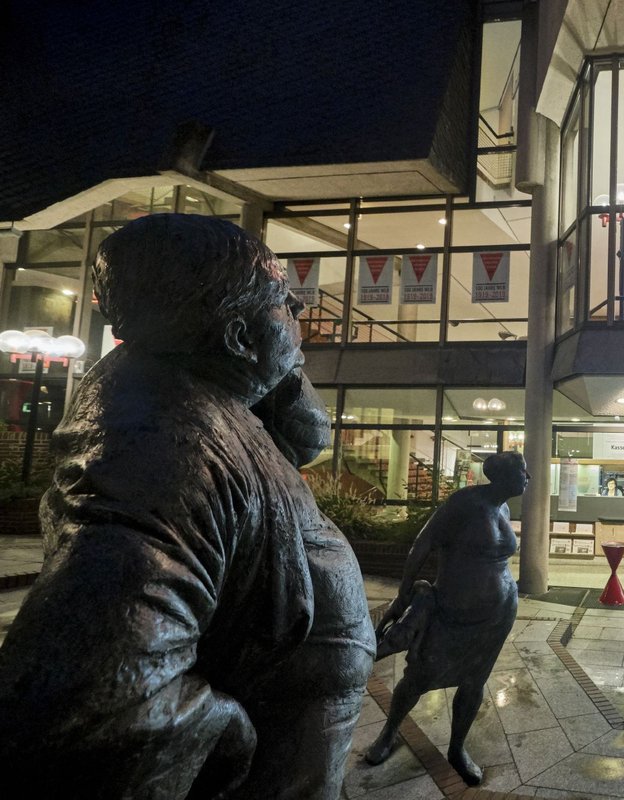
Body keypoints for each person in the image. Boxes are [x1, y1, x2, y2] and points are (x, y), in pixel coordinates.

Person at [0, 214, 375, 798]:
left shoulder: (208, 391)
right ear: (232, 336)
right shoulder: (159, 450)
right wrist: (230, 736)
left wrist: (273, 365)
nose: (300, 311)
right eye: (282, 299)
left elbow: (305, 439)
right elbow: (89, 705)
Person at [366, 450, 528, 785]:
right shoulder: (464, 503)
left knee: (474, 681)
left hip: (496, 616)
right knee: (420, 677)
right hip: (453, 611)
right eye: (523, 471)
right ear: (503, 476)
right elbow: (422, 543)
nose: (529, 478)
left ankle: (457, 748)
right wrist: (403, 593)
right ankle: (389, 732)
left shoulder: (504, 508)